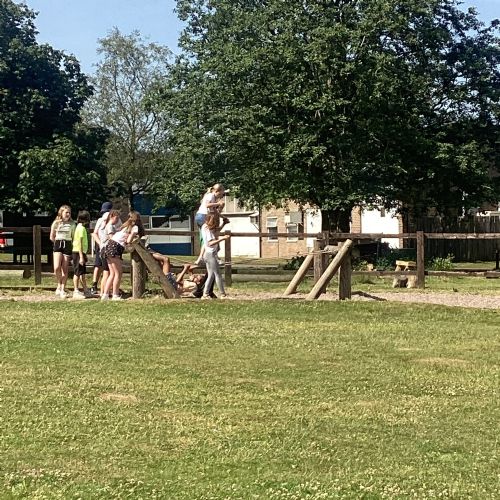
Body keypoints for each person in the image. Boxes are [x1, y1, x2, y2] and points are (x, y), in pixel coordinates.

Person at [102, 211, 145, 301]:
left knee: (112, 273)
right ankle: (115, 295)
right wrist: (132, 239)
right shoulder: (135, 227)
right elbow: (129, 241)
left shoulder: (125, 226)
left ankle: (105, 295)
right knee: (118, 273)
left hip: (109, 246)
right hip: (116, 248)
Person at [200, 213, 230, 299]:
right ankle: (223, 294)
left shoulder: (205, 227)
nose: (215, 224)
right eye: (214, 222)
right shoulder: (207, 229)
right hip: (210, 254)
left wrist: (223, 224)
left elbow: (216, 230)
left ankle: (205, 294)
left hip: (208, 254)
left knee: (211, 275)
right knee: (218, 274)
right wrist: (222, 238)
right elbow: (210, 243)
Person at [49, 205, 76, 298]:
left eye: (69, 212)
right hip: (58, 243)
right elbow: (52, 236)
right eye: (66, 212)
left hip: (67, 244)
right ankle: (59, 284)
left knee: (65, 268)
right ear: (61, 213)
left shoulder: (72, 224)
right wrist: (56, 242)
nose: (68, 214)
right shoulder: (56, 223)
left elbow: (73, 237)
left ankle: (63, 288)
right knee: (56, 267)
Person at [90, 201, 113, 295]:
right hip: (105, 244)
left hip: (100, 243)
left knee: (98, 265)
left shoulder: (100, 220)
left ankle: (94, 285)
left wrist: (99, 243)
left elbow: (94, 233)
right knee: (107, 268)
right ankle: (106, 288)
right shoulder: (109, 219)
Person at [72, 210, 91, 299]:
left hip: (81, 252)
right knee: (77, 273)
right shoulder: (81, 228)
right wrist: (81, 257)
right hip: (78, 252)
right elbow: (79, 242)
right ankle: (76, 291)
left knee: (82, 273)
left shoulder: (80, 227)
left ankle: (85, 290)